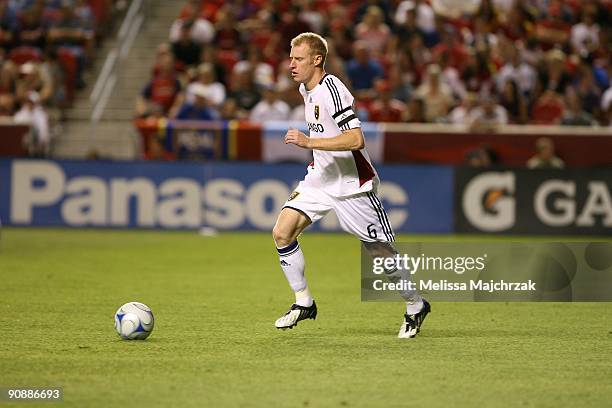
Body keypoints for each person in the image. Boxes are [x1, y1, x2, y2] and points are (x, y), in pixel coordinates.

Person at [272, 32, 430, 339]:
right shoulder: (306, 88)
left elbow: (356, 139)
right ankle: (304, 302)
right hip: (320, 178)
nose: (290, 64)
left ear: (317, 60)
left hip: (351, 184)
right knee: (281, 232)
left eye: (298, 58)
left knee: (381, 255)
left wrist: (308, 142)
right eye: (291, 57)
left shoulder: (333, 90)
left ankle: (415, 305)